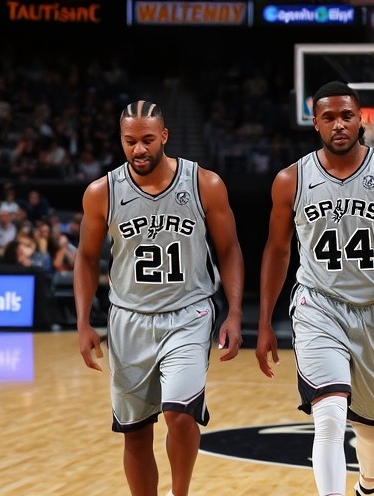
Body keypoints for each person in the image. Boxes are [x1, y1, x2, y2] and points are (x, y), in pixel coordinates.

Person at [255, 81, 374, 496]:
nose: (339, 124)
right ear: (315, 123)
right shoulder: (290, 179)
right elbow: (278, 251)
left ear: (361, 120)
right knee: (330, 415)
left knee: (370, 432)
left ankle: (368, 483)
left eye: (347, 116)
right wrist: (265, 321)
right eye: (329, 117)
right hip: (319, 306)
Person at [74, 100, 245, 496]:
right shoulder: (102, 192)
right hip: (128, 319)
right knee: (135, 433)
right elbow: (85, 258)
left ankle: (179, 493)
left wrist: (234, 312)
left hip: (189, 313)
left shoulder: (205, 183)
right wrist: (84, 323)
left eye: (148, 140)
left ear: (164, 136)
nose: (139, 149)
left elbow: (230, 248)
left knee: (180, 415)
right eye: (130, 141)